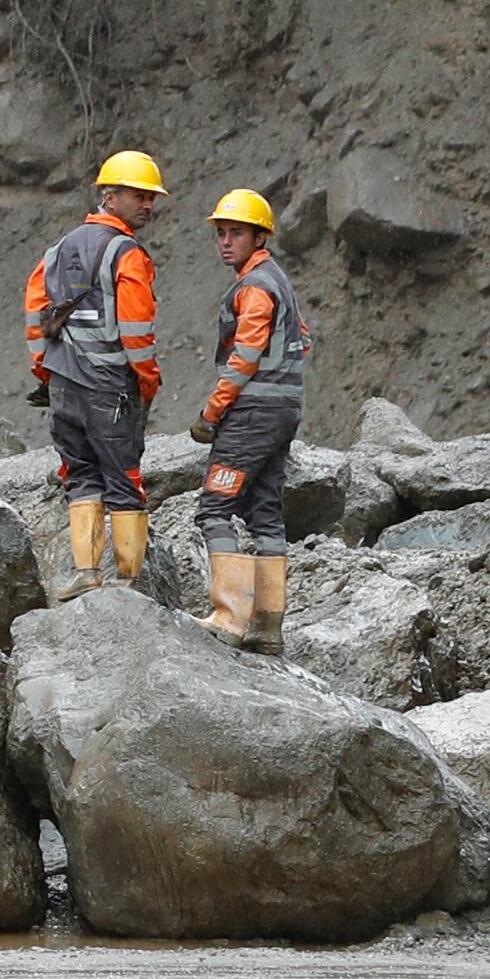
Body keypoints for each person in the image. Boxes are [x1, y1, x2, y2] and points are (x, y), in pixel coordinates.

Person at [21, 151, 168, 599]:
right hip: (111, 388)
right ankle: (128, 579)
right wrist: (147, 380)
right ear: (110, 195)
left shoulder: (58, 249)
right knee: (123, 477)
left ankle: (87, 572)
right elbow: (136, 330)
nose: (147, 204)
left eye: (151, 197)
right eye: (139, 195)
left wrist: (45, 371)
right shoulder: (127, 253)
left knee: (80, 474)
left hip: (64, 384)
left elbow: (34, 315)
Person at [192, 188, 311, 653]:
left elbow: (243, 358)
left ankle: (229, 616)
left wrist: (212, 411)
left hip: (251, 414)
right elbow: (303, 339)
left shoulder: (256, 287)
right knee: (264, 511)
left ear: (259, 237)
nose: (225, 241)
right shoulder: (277, 279)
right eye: (221, 233)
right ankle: (268, 626)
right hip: (283, 410)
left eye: (235, 233)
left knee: (215, 508)